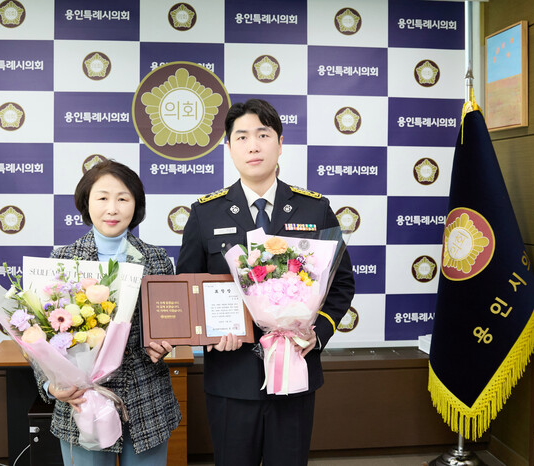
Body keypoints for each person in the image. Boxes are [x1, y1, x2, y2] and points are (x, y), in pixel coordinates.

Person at [177, 99, 355, 465]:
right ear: (229, 147)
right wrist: (210, 332)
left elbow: (341, 284)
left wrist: (317, 333)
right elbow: (188, 288)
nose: (253, 146)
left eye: (263, 135)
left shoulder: (314, 208)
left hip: (296, 370)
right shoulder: (205, 213)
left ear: (280, 142)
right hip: (231, 377)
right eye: (242, 137)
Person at [35, 160, 181, 466]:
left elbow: (168, 325)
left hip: (146, 399)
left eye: (123, 198)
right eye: (102, 198)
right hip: (81, 399)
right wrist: (51, 385)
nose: (112, 209)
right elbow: (38, 335)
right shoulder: (62, 259)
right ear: (86, 203)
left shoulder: (157, 259)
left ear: (136, 205)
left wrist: (165, 345)